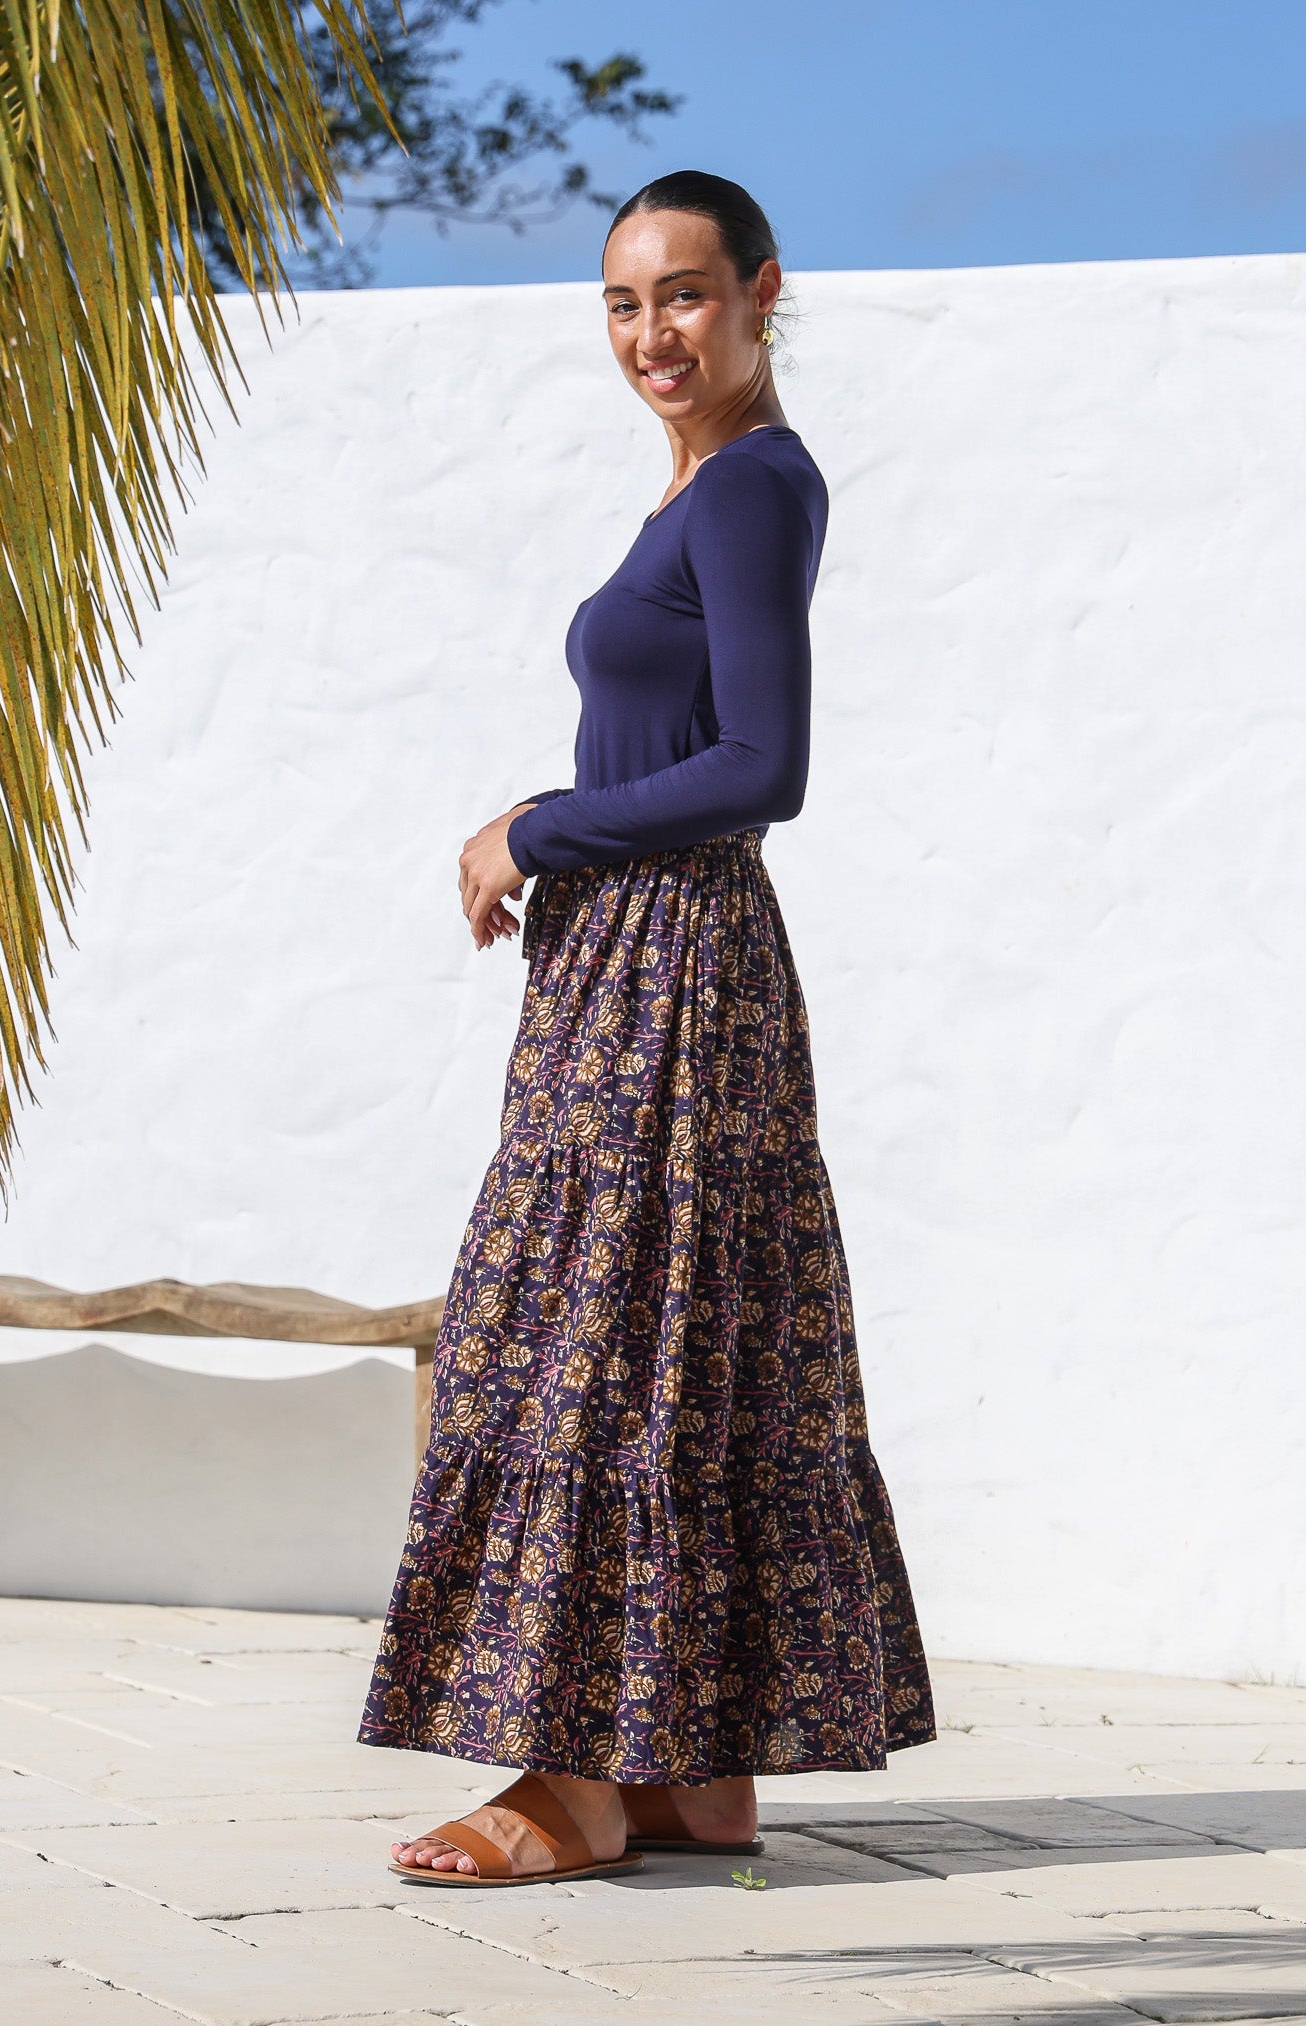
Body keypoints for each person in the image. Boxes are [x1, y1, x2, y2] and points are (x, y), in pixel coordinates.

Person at [359, 170, 936, 1888]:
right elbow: (686, 749)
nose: (651, 335)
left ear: (762, 290)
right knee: (675, 1345)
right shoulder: (705, 489)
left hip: (673, 981)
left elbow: (768, 767)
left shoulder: (750, 489)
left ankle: (569, 1787)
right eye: (621, 305)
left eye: (684, 296)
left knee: (580, 1345)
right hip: (649, 965)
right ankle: (691, 1770)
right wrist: (562, 812)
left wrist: (535, 830)